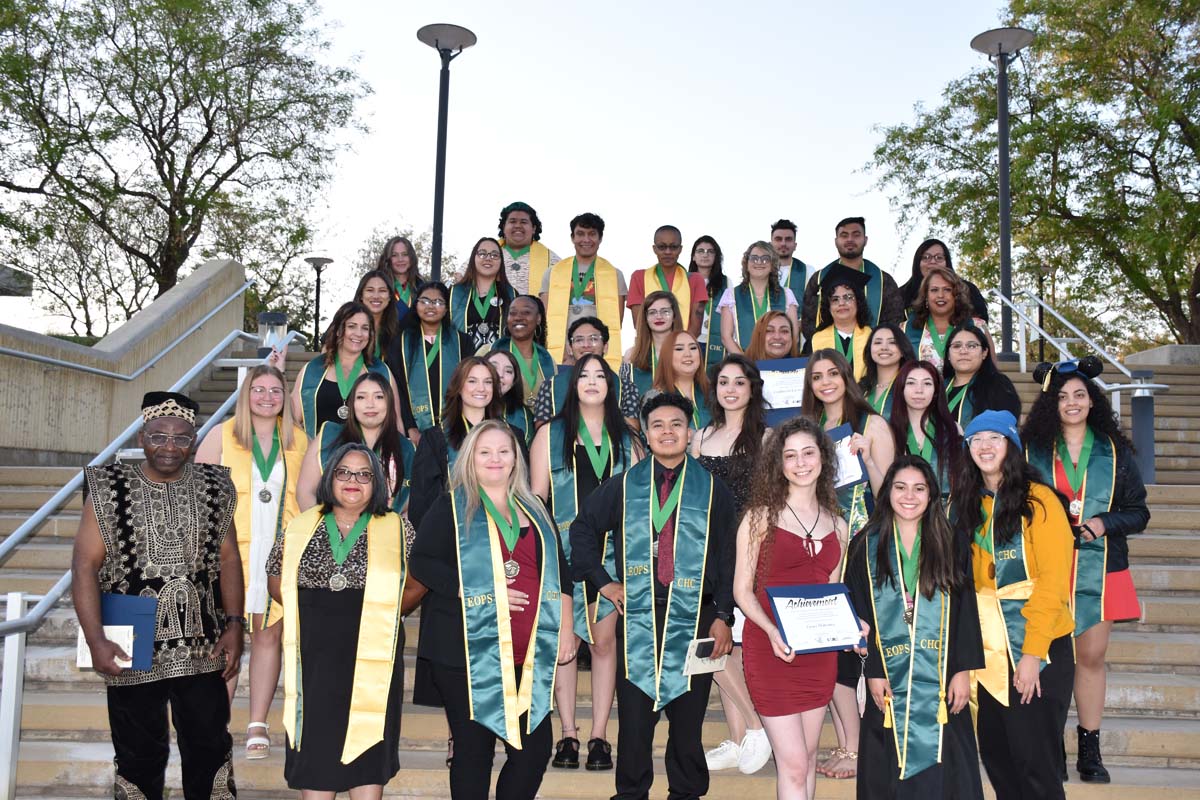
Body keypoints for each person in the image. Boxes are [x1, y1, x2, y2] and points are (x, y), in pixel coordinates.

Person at [72, 391, 243, 799]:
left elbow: (230, 559)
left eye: (182, 437)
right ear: (141, 436)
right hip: (130, 639)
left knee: (209, 747)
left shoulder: (215, 485)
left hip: (202, 641)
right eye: (158, 435)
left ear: (195, 440)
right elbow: (83, 565)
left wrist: (235, 625)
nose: (170, 446)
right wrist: (95, 639)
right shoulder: (109, 487)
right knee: (138, 753)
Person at [570, 391, 737, 800]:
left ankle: (686, 793)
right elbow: (582, 530)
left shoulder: (714, 490)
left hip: (695, 618)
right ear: (645, 433)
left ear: (689, 432)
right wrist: (605, 583)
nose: (667, 432)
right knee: (635, 723)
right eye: (658, 425)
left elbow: (730, 556)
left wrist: (723, 616)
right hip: (640, 616)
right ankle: (631, 794)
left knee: (687, 721)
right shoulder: (626, 485)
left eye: (676, 425)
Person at [410, 420, 573, 800]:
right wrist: (477, 588)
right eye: (485, 452)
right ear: (470, 458)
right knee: (473, 752)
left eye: (504, 451)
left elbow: (560, 573)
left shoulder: (535, 508)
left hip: (528, 653)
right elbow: (422, 562)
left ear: (516, 458)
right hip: (465, 653)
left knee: (533, 752)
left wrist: (566, 628)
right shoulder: (452, 506)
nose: (495, 459)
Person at [1022, 358, 1150, 783]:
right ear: (1050, 404)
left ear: (1092, 400)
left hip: (1102, 566)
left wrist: (1101, 523)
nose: (1072, 403)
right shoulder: (1030, 451)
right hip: (1046, 568)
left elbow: (1138, 513)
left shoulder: (1116, 453)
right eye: (1062, 396)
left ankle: (1090, 749)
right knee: (1051, 657)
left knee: (1091, 658)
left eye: (1080, 395)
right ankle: (1050, 745)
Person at [268, 443, 417, 797]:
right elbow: (276, 578)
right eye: (344, 472)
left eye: (364, 474)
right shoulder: (300, 526)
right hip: (315, 656)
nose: (354, 481)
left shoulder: (399, 528)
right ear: (330, 477)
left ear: (377, 482)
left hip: (373, 652)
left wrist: (384, 612)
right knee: (317, 743)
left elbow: (415, 584)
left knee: (368, 743)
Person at [734, 416, 862, 800]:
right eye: (790, 456)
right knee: (791, 763)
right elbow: (741, 591)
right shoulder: (759, 518)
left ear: (823, 458)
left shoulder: (838, 525)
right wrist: (772, 631)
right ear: (779, 464)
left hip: (817, 654)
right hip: (770, 649)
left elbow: (832, 592)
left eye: (808, 452)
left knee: (806, 756)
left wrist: (852, 626)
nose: (801, 462)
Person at [951, 410, 1075, 800]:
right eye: (976, 439)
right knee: (999, 760)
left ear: (1012, 445)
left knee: (1035, 766)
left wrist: (1031, 654)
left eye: (995, 438)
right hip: (986, 654)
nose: (985, 447)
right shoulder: (965, 505)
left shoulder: (1039, 501)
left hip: (1036, 649)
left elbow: (1053, 583)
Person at [845, 457, 985, 799]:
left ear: (931, 494)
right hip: (889, 681)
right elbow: (858, 614)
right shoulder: (865, 546)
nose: (910, 496)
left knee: (949, 767)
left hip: (940, 677)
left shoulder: (952, 542)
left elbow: (966, 610)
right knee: (887, 767)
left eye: (919, 488)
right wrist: (874, 670)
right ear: (887, 493)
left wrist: (962, 671)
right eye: (901, 487)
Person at [530, 353, 643, 771]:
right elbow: (537, 501)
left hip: (611, 557)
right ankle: (568, 734)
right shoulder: (549, 434)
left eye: (601, 375)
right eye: (584, 375)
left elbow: (636, 506)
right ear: (572, 384)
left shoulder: (629, 440)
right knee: (566, 645)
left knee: (604, 643)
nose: (592, 381)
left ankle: (598, 734)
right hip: (561, 552)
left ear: (612, 386)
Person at [195, 363, 308, 761]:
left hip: (277, 553)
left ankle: (257, 721)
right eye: (258, 390)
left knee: (268, 636)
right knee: (227, 638)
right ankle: (216, 721)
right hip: (230, 554)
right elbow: (199, 498)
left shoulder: (299, 441)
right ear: (245, 395)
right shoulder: (220, 435)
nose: (266, 397)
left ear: (285, 398)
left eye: (275, 390)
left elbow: (309, 498)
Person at [800, 349, 896, 781]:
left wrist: (868, 456)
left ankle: (859, 750)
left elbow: (894, 493)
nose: (825, 382)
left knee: (853, 649)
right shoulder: (809, 429)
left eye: (832, 373)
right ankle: (847, 745)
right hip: (819, 550)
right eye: (817, 376)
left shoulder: (871, 423)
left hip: (862, 550)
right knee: (831, 652)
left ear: (846, 376)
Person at [691, 356, 773, 775]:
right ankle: (745, 735)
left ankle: (754, 731)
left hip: (749, 550)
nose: (730, 389)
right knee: (713, 641)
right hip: (704, 548)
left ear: (752, 388)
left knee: (735, 644)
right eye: (723, 381)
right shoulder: (700, 436)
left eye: (739, 382)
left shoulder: (767, 437)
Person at [407, 357, 512, 530]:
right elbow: (422, 505)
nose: (481, 388)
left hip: (503, 534)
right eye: (472, 381)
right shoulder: (435, 439)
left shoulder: (511, 435)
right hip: (453, 537)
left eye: (488, 382)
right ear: (458, 387)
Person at [296, 372, 415, 517]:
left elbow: (411, 504)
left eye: (379, 397)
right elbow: (305, 492)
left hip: (386, 535)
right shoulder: (327, 437)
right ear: (352, 403)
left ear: (390, 402)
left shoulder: (407, 449)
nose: (370, 404)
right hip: (332, 533)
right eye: (361, 397)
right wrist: (324, 531)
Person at [292, 301, 398, 439]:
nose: (359, 333)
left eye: (365, 328)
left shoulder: (381, 372)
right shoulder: (312, 370)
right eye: (352, 326)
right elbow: (293, 420)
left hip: (366, 456)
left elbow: (395, 423)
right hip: (319, 455)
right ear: (338, 330)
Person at [540, 212, 627, 367]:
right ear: (572, 237)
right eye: (580, 234)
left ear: (600, 238)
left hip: (598, 353)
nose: (586, 240)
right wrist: (566, 353)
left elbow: (616, 323)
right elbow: (544, 319)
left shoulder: (614, 275)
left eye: (592, 234)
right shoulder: (552, 273)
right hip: (562, 354)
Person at [800, 217, 905, 343]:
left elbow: (894, 319)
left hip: (872, 353)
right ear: (836, 241)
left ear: (865, 240)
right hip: (827, 352)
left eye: (856, 235)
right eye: (844, 235)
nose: (850, 239)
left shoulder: (883, 280)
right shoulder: (818, 279)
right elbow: (808, 320)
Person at [394, 282, 473, 441]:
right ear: (416, 305)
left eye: (438, 302)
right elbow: (398, 389)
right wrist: (410, 427)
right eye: (424, 301)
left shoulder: (462, 342)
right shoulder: (400, 344)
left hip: (457, 428)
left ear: (446, 309)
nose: (431, 306)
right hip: (415, 432)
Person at [532, 316, 640, 427]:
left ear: (605, 347)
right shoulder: (550, 385)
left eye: (593, 339)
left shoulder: (626, 388)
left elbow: (632, 432)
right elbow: (542, 430)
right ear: (569, 348)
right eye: (579, 340)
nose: (586, 345)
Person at [888, 361, 964, 495]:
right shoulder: (888, 431)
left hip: (943, 510)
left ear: (936, 390)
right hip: (904, 507)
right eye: (911, 383)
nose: (919, 390)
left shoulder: (953, 429)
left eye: (927, 383)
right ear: (901, 388)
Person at [719, 241, 800, 356]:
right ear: (746, 263)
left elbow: (794, 335)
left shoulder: (786, 295)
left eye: (765, 259)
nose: (759, 262)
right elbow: (726, 338)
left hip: (779, 364)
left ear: (773, 265)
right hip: (744, 364)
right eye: (754, 258)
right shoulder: (731, 295)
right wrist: (747, 364)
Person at [626, 225, 708, 335]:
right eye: (662, 247)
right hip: (650, 348)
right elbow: (638, 323)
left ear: (680, 249)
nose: (668, 252)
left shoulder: (695, 280)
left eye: (673, 247)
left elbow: (696, 327)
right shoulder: (639, 277)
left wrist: (679, 347)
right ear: (654, 249)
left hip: (683, 348)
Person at [903, 265, 987, 371]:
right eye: (934, 290)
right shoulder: (905, 329)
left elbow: (991, 373)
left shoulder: (978, 327)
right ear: (925, 296)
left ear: (956, 295)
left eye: (947, 290)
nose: (940, 295)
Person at [942, 322, 1021, 429]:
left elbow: (1006, 429)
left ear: (984, 352)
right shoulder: (938, 387)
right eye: (957, 346)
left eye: (971, 346)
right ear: (948, 354)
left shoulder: (999, 386)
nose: (963, 351)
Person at [803, 264, 874, 380]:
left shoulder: (873, 337)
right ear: (828, 306)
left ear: (858, 302)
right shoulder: (815, 341)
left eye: (848, 297)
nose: (841, 303)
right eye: (835, 299)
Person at [898, 239, 989, 322]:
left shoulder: (967, 289)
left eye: (939, 257)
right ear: (917, 262)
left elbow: (981, 324)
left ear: (947, 262)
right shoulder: (901, 295)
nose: (933, 262)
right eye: (926, 257)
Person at [450, 236, 516, 351]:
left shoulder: (512, 295)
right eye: (482, 254)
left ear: (501, 261)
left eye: (494, 255)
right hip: (464, 363)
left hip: (499, 363)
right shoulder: (454, 293)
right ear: (473, 258)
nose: (488, 258)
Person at [488, 294, 557, 403]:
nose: (518, 317)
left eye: (526, 312)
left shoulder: (547, 360)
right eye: (513, 313)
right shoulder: (489, 351)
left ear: (538, 318)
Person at [622, 290, 683, 400]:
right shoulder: (631, 355)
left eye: (665, 312)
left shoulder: (687, 352)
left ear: (674, 316)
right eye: (652, 312)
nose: (659, 316)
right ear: (645, 318)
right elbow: (626, 398)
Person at [498, 201, 560, 297]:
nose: (518, 226)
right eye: (512, 221)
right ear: (503, 227)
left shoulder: (552, 261)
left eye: (523, 222)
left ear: (534, 228)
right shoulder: (486, 255)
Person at [653, 331, 712, 430]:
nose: (688, 354)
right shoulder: (656, 397)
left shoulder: (714, 393)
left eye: (693, 348)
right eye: (679, 349)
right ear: (667, 356)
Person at [689, 235, 729, 370]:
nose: (705, 255)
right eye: (700, 251)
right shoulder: (684, 280)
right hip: (691, 339)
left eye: (710, 251)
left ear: (716, 256)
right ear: (693, 256)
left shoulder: (726, 282)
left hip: (716, 341)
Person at [859, 324, 916, 418]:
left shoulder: (911, 386)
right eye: (878, 343)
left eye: (892, 342)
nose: (884, 347)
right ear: (870, 349)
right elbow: (848, 424)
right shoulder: (861, 388)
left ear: (902, 350)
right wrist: (830, 432)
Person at [487, 349, 535, 445]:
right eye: (493, 367)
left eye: (508, 371)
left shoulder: (523, 415)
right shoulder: (464, 408)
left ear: (514, 381)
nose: (500, 375)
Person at [353, 270, 402, 361]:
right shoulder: (343, 322)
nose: (376, 296)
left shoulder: (400, 331)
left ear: (390, 296)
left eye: (382, 291)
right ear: (361, 295)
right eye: (370, 290)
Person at [378, 235, 424, 324]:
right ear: (388, 259)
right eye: (394, 255)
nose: (400, 259)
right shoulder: (378, 285)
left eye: (405, 254)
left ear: (411, 257)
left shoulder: (421, 286)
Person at [770, 218, 814, 299]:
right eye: (778, 239)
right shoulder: (760, 271)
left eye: (788, 239)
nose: (783, 243)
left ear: (795, 245)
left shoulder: (808, 271)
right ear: (770, 244)